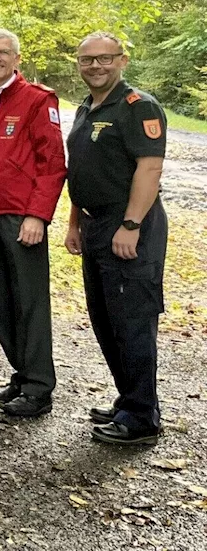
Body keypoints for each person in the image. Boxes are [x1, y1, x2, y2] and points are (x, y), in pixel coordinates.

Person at [64, 32, 168, 445]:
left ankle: (142, 418)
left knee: (132, 321)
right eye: (87, 60)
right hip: (93, 225)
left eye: (104, 59)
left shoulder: (138, 106)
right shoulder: (86, 108)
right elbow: (81, 169)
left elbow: (150, 169)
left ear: (121, 61)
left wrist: (131, 225)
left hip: (127, 226)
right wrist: (74, 221)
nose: (95, 66)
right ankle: (129, 399)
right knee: (106, 319)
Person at [0, 28, 66, 417]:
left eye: (4, 52)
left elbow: (52, 163)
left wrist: (37, 214)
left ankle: (39, 387)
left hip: (22, 218)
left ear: (17, 58)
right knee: (0, 302)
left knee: (30, 301)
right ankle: (21, 375)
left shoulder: (37, 100)